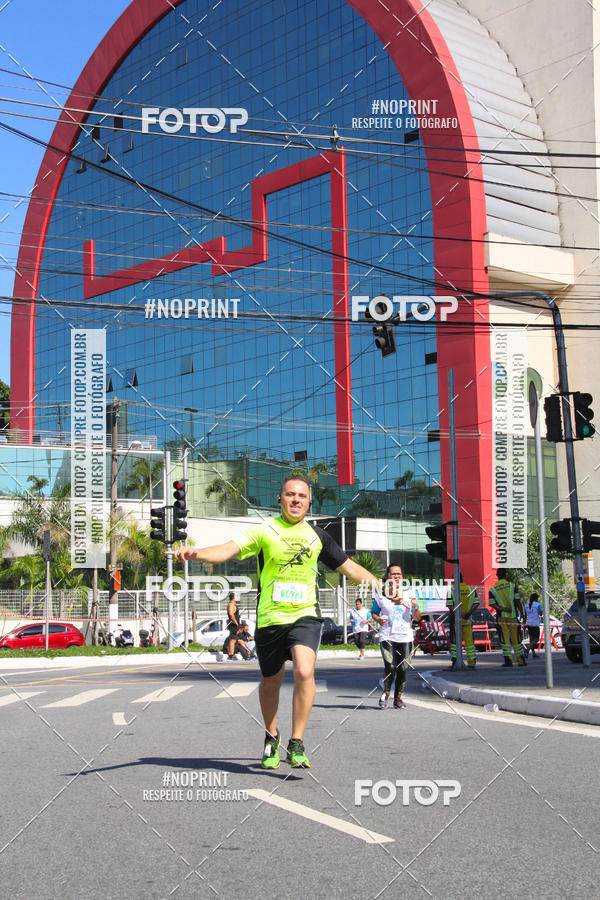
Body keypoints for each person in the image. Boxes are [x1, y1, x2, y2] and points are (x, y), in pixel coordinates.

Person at [174, 475, 381, 769]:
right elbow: (227, 550)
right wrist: (197, 553)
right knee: (270, 682)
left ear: (309, 502)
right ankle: (272, 736)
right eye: (290, 494)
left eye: (302, 496)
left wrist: (383, 588)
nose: (296, 499)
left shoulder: (318, 536)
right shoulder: (264, 531)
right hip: (270, 618)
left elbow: (350, 568)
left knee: (305, 671)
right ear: (280, 499)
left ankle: (297, 741)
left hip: (306, 616)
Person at [370, 564, 421, 709]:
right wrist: (378, 619)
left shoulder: (410, 593)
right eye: (393, 574)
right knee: (391, 666)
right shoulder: (381, 594)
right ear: (387, 576)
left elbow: (417, 618)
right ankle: (386, 692)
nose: (397, 577)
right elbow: (373, 612)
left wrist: (415, 607)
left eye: (399, 574)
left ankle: (398, 698)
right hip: (387, 636)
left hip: (405, 637)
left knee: (402, 669)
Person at [489, 569, 526, 667]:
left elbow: (492, 604)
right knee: (516, 639)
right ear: (506, 574)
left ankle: (508, 661)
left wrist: (503, 609)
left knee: (504, 640)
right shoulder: (512, 586)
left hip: (501, 618)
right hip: (513, 617)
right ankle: (521, 661)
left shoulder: (493, 589)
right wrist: (522, 612)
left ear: (497, 576)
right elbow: (517, 601)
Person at [446, 574, 479, 669]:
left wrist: (460, 613)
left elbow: (450, 605)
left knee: (455, 642)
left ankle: (455, 661)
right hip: (467, 620)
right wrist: (467, 614)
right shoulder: (471, 589)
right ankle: (472, 662)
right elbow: (476, 603)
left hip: (456, 621)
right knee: (469, 643)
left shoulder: (450, 590)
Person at [524, 593, 543, 658]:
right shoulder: (538, 605)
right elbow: (540, 614)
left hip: (528, 623)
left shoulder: (526, 605)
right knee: (536, 639)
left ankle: (533, 653)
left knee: (531, 639)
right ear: (536, 598)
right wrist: (541, 611)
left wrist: (524, 623)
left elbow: (525, 615)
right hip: (535, 624)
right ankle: (527, 649)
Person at [226, 591, 240, 660]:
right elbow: (231, 614)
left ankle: (231, 653)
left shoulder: (234, 604)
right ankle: (231, 655)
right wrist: (236, 622)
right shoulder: (231, 604)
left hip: (235, 624)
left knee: (234, 639)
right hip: (233, 624)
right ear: (233, 597)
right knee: (233, 639)